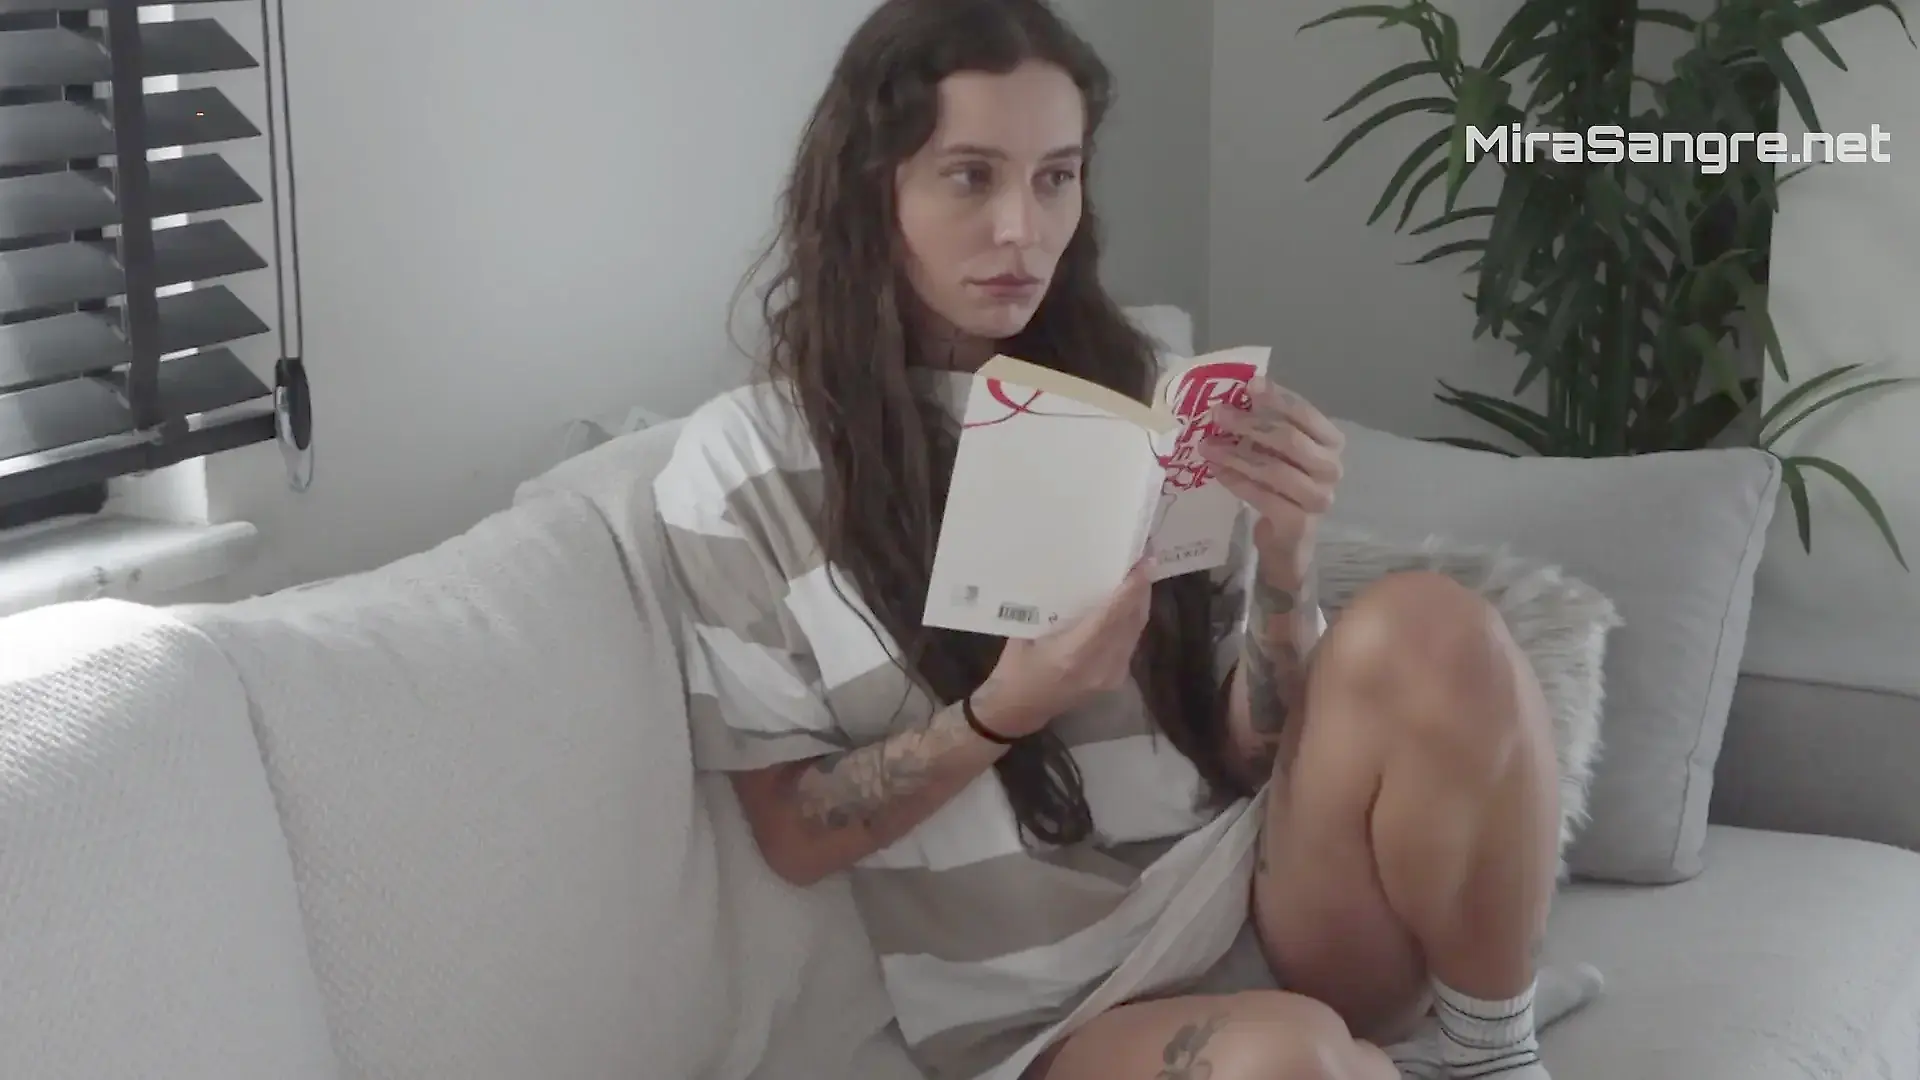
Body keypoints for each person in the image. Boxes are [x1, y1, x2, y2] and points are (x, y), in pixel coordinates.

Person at [653, 1, 1598, 1077]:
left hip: (1260, 895)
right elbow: (792, 833)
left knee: (1432, 624)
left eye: (1056, 177)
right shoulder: (743, 471)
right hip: (1058, 1006)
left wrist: (1286, 554)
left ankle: (1493, 1056)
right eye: (971, 177)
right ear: (872, 188)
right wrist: (1006, 710)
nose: (1023, 229)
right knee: (1288, 1061)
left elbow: (1249, 754)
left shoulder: (1146, 393)